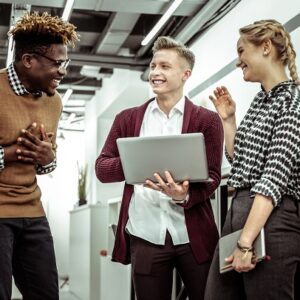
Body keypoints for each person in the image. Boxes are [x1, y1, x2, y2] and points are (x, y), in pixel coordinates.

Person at [95, 36, 224, 300]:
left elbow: (213, 178)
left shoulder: (207, 120)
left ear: (185, 74)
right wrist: (138, 161)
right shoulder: (127, 119)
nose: (155, 73)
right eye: (153, 66)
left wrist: (183, 196)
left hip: (193, 236)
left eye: (165, 66)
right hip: (145, 234)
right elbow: (102, 168)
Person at [204, 19, 300, 300]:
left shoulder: (292, 104)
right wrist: (229, 121)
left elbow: (273, 179)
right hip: (240, 215)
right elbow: (239, 163)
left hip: (272, 221)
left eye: (241, 51)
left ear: (266, 47)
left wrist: (246, 243)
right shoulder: (261, 102)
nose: (238, 62)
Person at [0, 12, 78, 300]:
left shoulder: (53, 102)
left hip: (32, 212)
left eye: (65, 63)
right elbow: (15, 154)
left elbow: (47, 162)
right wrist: (10, 153)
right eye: (57, 63)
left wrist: (47, 159)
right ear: (29, 61)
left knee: (46, 294)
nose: (63, 71)